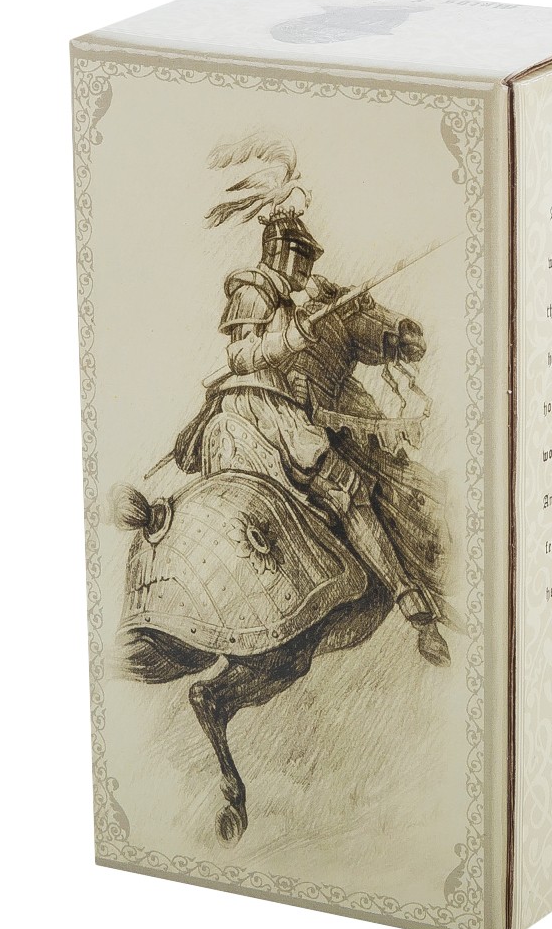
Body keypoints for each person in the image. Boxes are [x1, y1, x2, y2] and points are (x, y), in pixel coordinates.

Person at [172, 206, 451, 667]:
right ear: (280, 254)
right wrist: (290, 340)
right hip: (259, 408)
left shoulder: (286, 300)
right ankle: (413, 607)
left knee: (342, 492)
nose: (306, 269)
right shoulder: (253, 290)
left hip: (275, 403)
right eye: (301, 258)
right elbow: (240, 356)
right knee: (349, 491)